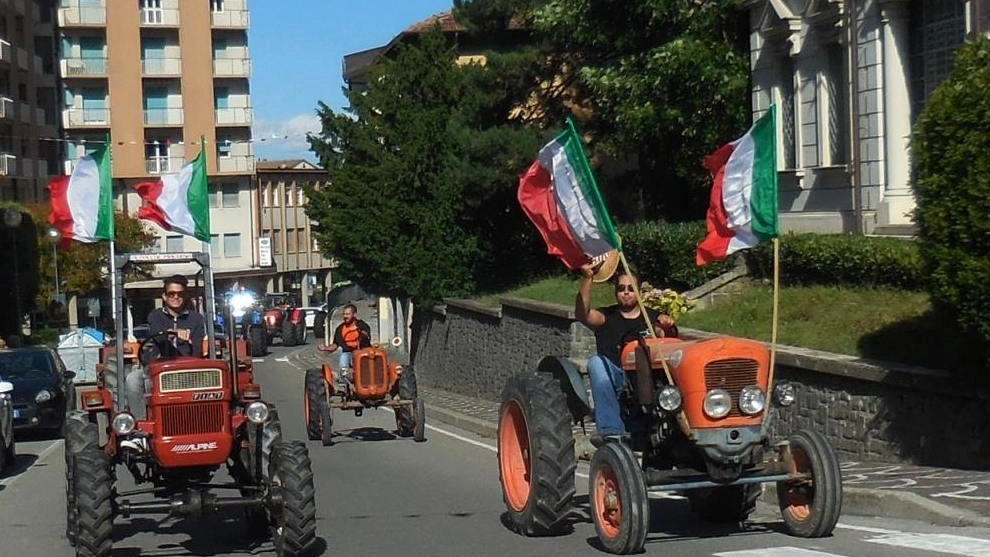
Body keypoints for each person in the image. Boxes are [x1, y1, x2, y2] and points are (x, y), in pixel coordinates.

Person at [575, 264, 678, 443]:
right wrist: (587, 279)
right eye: (621, 289)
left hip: (645, 375)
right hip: (615, 373)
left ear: (638, 292)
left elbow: (665, 334)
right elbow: (583, 314)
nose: (626, 293)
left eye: (631, 289)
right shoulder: (607, 316)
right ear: (616, 292)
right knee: (596, 363)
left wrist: (665, 327)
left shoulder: (651, 317)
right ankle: (611, 431)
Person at [125, 275, 205, 420]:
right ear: (164, 296)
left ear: (185, 296)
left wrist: (190, 342)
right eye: (171, 294)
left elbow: (197, 350)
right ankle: (140, 424)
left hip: (186, 371)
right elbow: (158, 336)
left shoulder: (196, 319)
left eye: (180, 294)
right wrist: (173, 333)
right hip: (158, 370)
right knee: (132, 379)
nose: (176, 297)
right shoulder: (156, 316)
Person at [317, 303, 371, 370]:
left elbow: (366, 335)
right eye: (344, 314)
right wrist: (325, 348)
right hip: (348, 353)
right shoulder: (340, 329)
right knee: (344, 358)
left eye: (348, 314)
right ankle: (344, 376)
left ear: (354, 314)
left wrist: (361, 333)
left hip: (363, 351)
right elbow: (335, 345)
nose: (345, 316)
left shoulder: (362, 325)